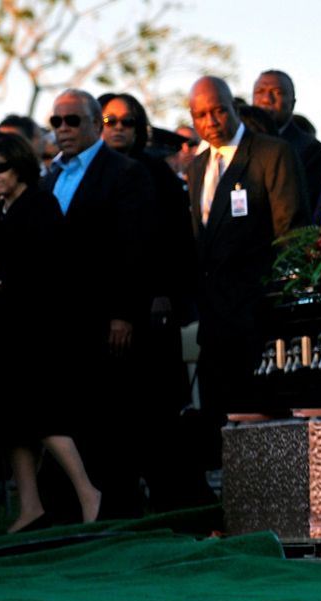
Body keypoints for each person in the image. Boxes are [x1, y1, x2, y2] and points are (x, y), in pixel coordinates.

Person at [0, 132, 103, 532]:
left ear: (20, 166)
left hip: (37, 333)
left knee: (44, 417)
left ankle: (88, 493)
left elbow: (49, 260)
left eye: (0, 167)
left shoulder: (41, 204)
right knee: (11, 423)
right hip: (4, 331)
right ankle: (30, 506)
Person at [98, 92, 216, 512]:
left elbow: (178, 244)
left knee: (160, 414)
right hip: (99, 316)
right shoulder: (89, 175)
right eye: (109, 119)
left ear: (140, 127)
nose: (117, 127)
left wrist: (166, 293)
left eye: (127, 121)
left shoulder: (156, 174)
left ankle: (176, 502)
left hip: (153, 316)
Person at [41, 87, 155, 520]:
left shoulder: (124, 172)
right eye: (57, 122)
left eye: (73, 121)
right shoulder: (50, 177)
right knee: (69, 412)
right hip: (59, 321)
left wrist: (124, 313)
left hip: (105, 316)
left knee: (110, 416)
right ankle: (72, 512)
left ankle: (117, 512)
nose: (64, 129)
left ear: (94, 124)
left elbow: (135, 249)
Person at [185, 76, 308, 464]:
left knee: (261, 417)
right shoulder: (197, 166)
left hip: (258, 313)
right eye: (201, 114)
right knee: (218, 418)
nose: (211, 121)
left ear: (233, 107)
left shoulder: (271, 153)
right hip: (214, 316)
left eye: (219, 110)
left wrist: (274, 299)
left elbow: (291, 232)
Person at [253, 70, 321, 212]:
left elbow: (303, 204)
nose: (267, 99)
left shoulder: (309, 148)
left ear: (292, 103)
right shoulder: (242, 143)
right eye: (260, 92)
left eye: (277, 93)